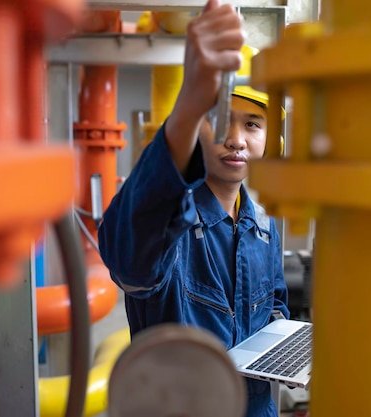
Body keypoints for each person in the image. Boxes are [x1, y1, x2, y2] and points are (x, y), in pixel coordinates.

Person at [98, 1, 289, 416]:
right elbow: (130, 261)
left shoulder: (265, 227)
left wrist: (285, 344)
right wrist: (188, 106)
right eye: (221, 121)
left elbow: (275, 303)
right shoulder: (172, 225)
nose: (236, 139)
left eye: (252, 124)